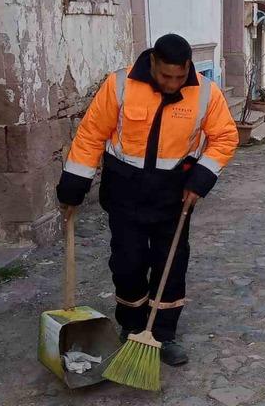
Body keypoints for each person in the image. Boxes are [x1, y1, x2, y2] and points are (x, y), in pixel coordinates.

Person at [55, 34, 238, 365]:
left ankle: (162, 334)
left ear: (188, 67)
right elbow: (91, 135)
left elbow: (225, 137)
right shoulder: (119, 85)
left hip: (174, 196)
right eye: (166, 76)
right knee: (128, 264)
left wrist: (200, 181)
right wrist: (73, 187)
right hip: (125, 193)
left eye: (179, 77)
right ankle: (132, 326)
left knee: (171, 265)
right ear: (152, 61)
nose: (172, 84)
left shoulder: (205, 92)